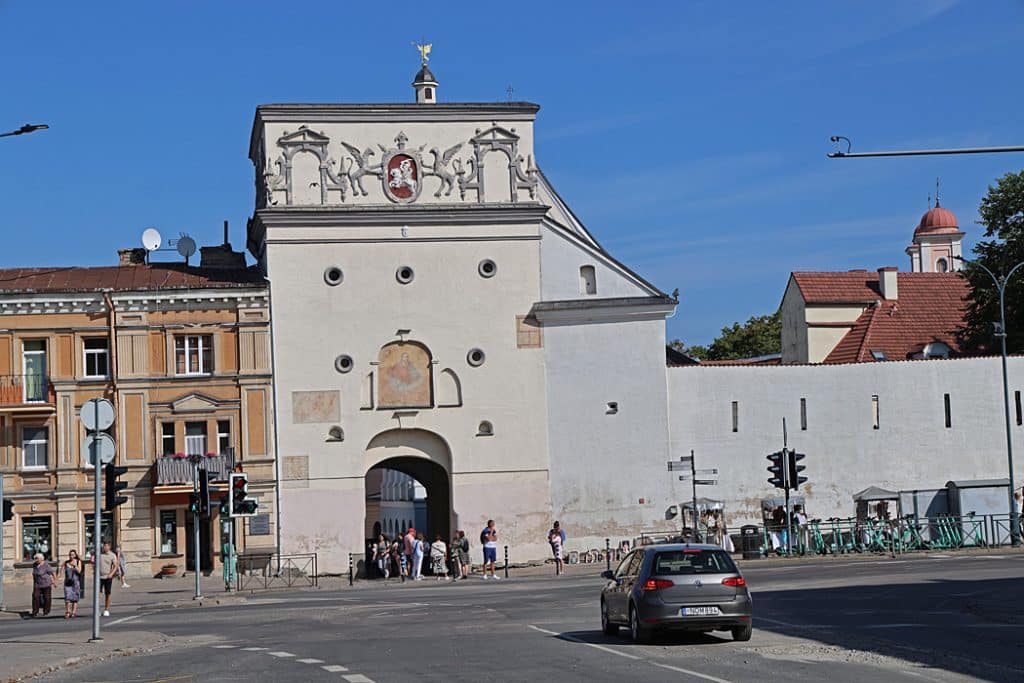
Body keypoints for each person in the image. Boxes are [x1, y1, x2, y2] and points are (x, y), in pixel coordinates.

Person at [30, 553, 56, 617]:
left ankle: (46, 611)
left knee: (47, 598)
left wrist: (54, 581)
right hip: (37, 584)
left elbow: (52, 573)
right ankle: (35, 612)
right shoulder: (34, 565)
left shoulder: (46, 565)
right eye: (35, 558)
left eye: (37, 558)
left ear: (41, 559)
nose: (36, 560)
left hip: (46, 584)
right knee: (35, 596)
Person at [60, 549, 83, 619]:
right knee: (67, 597)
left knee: (75, 598)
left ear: (75, 555)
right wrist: (57, 579)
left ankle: (73, 612)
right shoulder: (66, 562)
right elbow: (61, 571)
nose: (71, 556)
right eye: (70, 555)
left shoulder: (78, 562)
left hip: (75, 582)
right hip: (67, 582)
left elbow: (79, 571)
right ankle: (68, 611)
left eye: (73, 555)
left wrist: (75, 566)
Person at [98, 541, 118, 616]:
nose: (105, 547)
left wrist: (111, 574)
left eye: (106, 546)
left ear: (109, 547)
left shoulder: (112, 555)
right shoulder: (99, 554)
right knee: (98, 593)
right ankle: (98, 609)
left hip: (108, 577)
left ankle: (106, 609)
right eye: (104, 546)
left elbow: (115, 565)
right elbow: (94, 563)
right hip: (99, 577)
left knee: (108, 593)